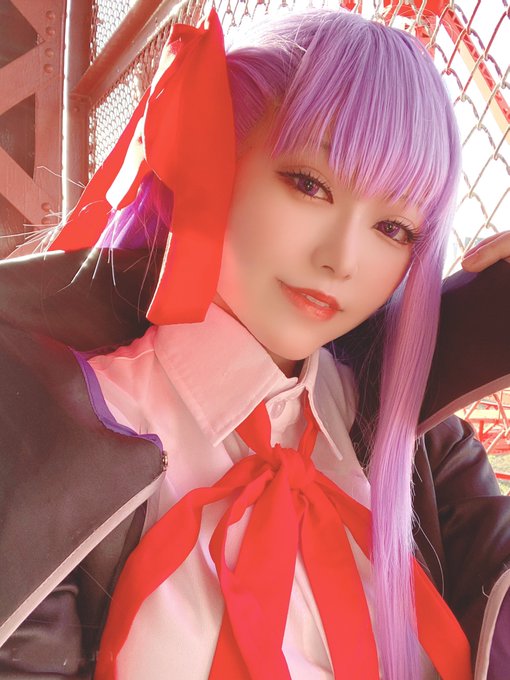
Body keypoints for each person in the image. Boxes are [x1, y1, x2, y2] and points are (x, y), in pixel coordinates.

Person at [0, 7, 509, 680]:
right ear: (212, 157)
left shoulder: (421, 451)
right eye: (309, 185)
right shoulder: (59, 428)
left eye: (393, 229)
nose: (341, 259)